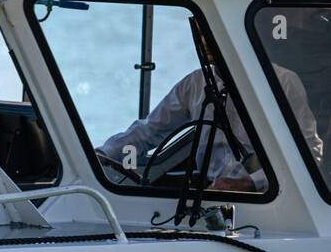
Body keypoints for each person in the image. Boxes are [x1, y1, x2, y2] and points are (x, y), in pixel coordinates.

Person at [97, 61, 320, 193]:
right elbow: (149, 131)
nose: (204, 39)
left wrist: (251, 183)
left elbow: (310, 153)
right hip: (212, 196)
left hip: (273, 201)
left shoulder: (283, 82)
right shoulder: (196, 83)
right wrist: (101, 157)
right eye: (200, 30)